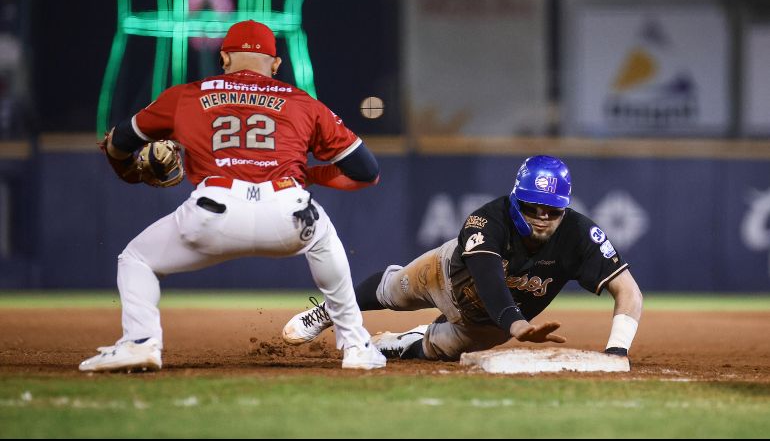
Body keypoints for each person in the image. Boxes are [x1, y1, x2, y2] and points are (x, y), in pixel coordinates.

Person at [80, 20, 387, 372]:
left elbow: (118, 143)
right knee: (321, 233)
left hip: (213, 211)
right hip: (287, 210)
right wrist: (308, 176)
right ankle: (357, 345)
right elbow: (366, 171)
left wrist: (130, 172)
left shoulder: (185, 96)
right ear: (275, 65)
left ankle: (140, 343)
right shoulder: (304, 103)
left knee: (136, 259)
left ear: (224, 58)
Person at [282, 155, 643, 361]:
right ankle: (328, 311)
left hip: (487, 325)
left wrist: (617, 349)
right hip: (445, 278)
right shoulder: (487, 219)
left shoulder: (580, 233)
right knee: (393, 290)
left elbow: (628, 291)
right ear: (517, 200)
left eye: (553, 210)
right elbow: (489, 280)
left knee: (432, 349)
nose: (543, 218)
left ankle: (391, 343)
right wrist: (517, 326)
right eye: (534, 207)